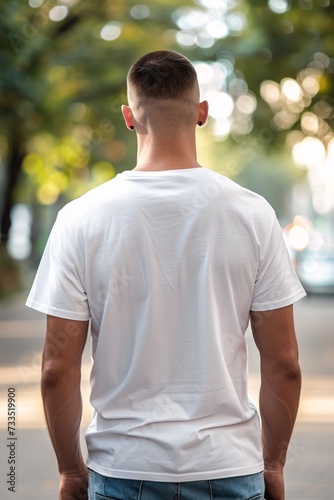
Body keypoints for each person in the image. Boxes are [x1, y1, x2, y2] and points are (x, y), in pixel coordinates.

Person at [26, 50, 306, 500]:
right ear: (201, 113)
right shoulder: (253, 215)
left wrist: (71, 472)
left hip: (122, 471)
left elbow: (56, 369)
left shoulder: (80, 219)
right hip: (230, 467)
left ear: (128, 117)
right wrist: (271, 463)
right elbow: (285, 364)